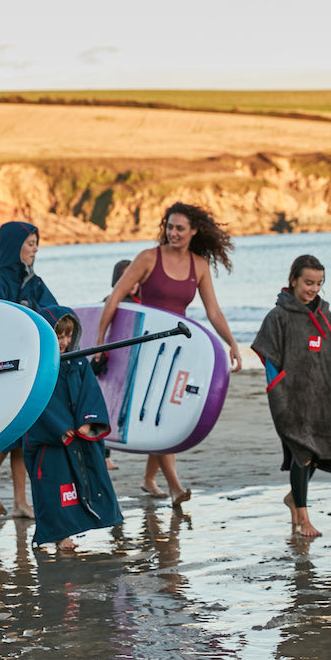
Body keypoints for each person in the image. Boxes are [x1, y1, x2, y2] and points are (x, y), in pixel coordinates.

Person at [96, 202, 243, 505]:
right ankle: (175, 486)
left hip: (179, 349)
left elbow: (212, 311)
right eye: (169, 227)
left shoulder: (199, 266)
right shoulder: (149, 258)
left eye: (180, 228)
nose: (173, 233)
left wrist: (232, 343)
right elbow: (115, 299)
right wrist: (101, 343)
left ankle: (150, 479)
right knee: (159, 414)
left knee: (164, 413)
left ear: (193, 231)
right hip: (147, 345)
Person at [251, 255, 331, 538]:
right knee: (301, 453)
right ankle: (303, 519)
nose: (313, 289)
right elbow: (269, 357)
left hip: (322, 395)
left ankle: (293, 499)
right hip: (290, 396)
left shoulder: (324, 313)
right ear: (293, 281)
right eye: (308, 283)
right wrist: (277, 390)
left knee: (315, 454)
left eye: (318, 283)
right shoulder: (278, 316)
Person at [0, 221, 59, 518]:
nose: (36, 249)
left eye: (37, 243)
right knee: (10, 432)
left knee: (26, 433)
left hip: (29, 366)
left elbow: (53, 310)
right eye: (30, 243)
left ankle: (21, 502)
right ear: (14, 246)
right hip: (2, 369)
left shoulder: (33, 281)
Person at [23, 306, 123, 551]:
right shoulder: (38, 367)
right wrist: (60, 427)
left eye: (69, 336)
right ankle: (60, 536)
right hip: (52, 440)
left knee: (90, 481)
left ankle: (102, 522)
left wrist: (88, 421)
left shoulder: (79, 362)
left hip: (81, 435)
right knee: (55, 489)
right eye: (59, 336)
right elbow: (37, 403)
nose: (65, 342)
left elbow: (91, 393)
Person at [99, 259, 141, 471]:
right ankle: (104, 454)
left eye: (135, 276)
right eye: (127, 276)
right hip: (113, 361)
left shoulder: (142, 302)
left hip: (133, 362)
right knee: (108, 407)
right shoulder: (111, 301)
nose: (132, 282)